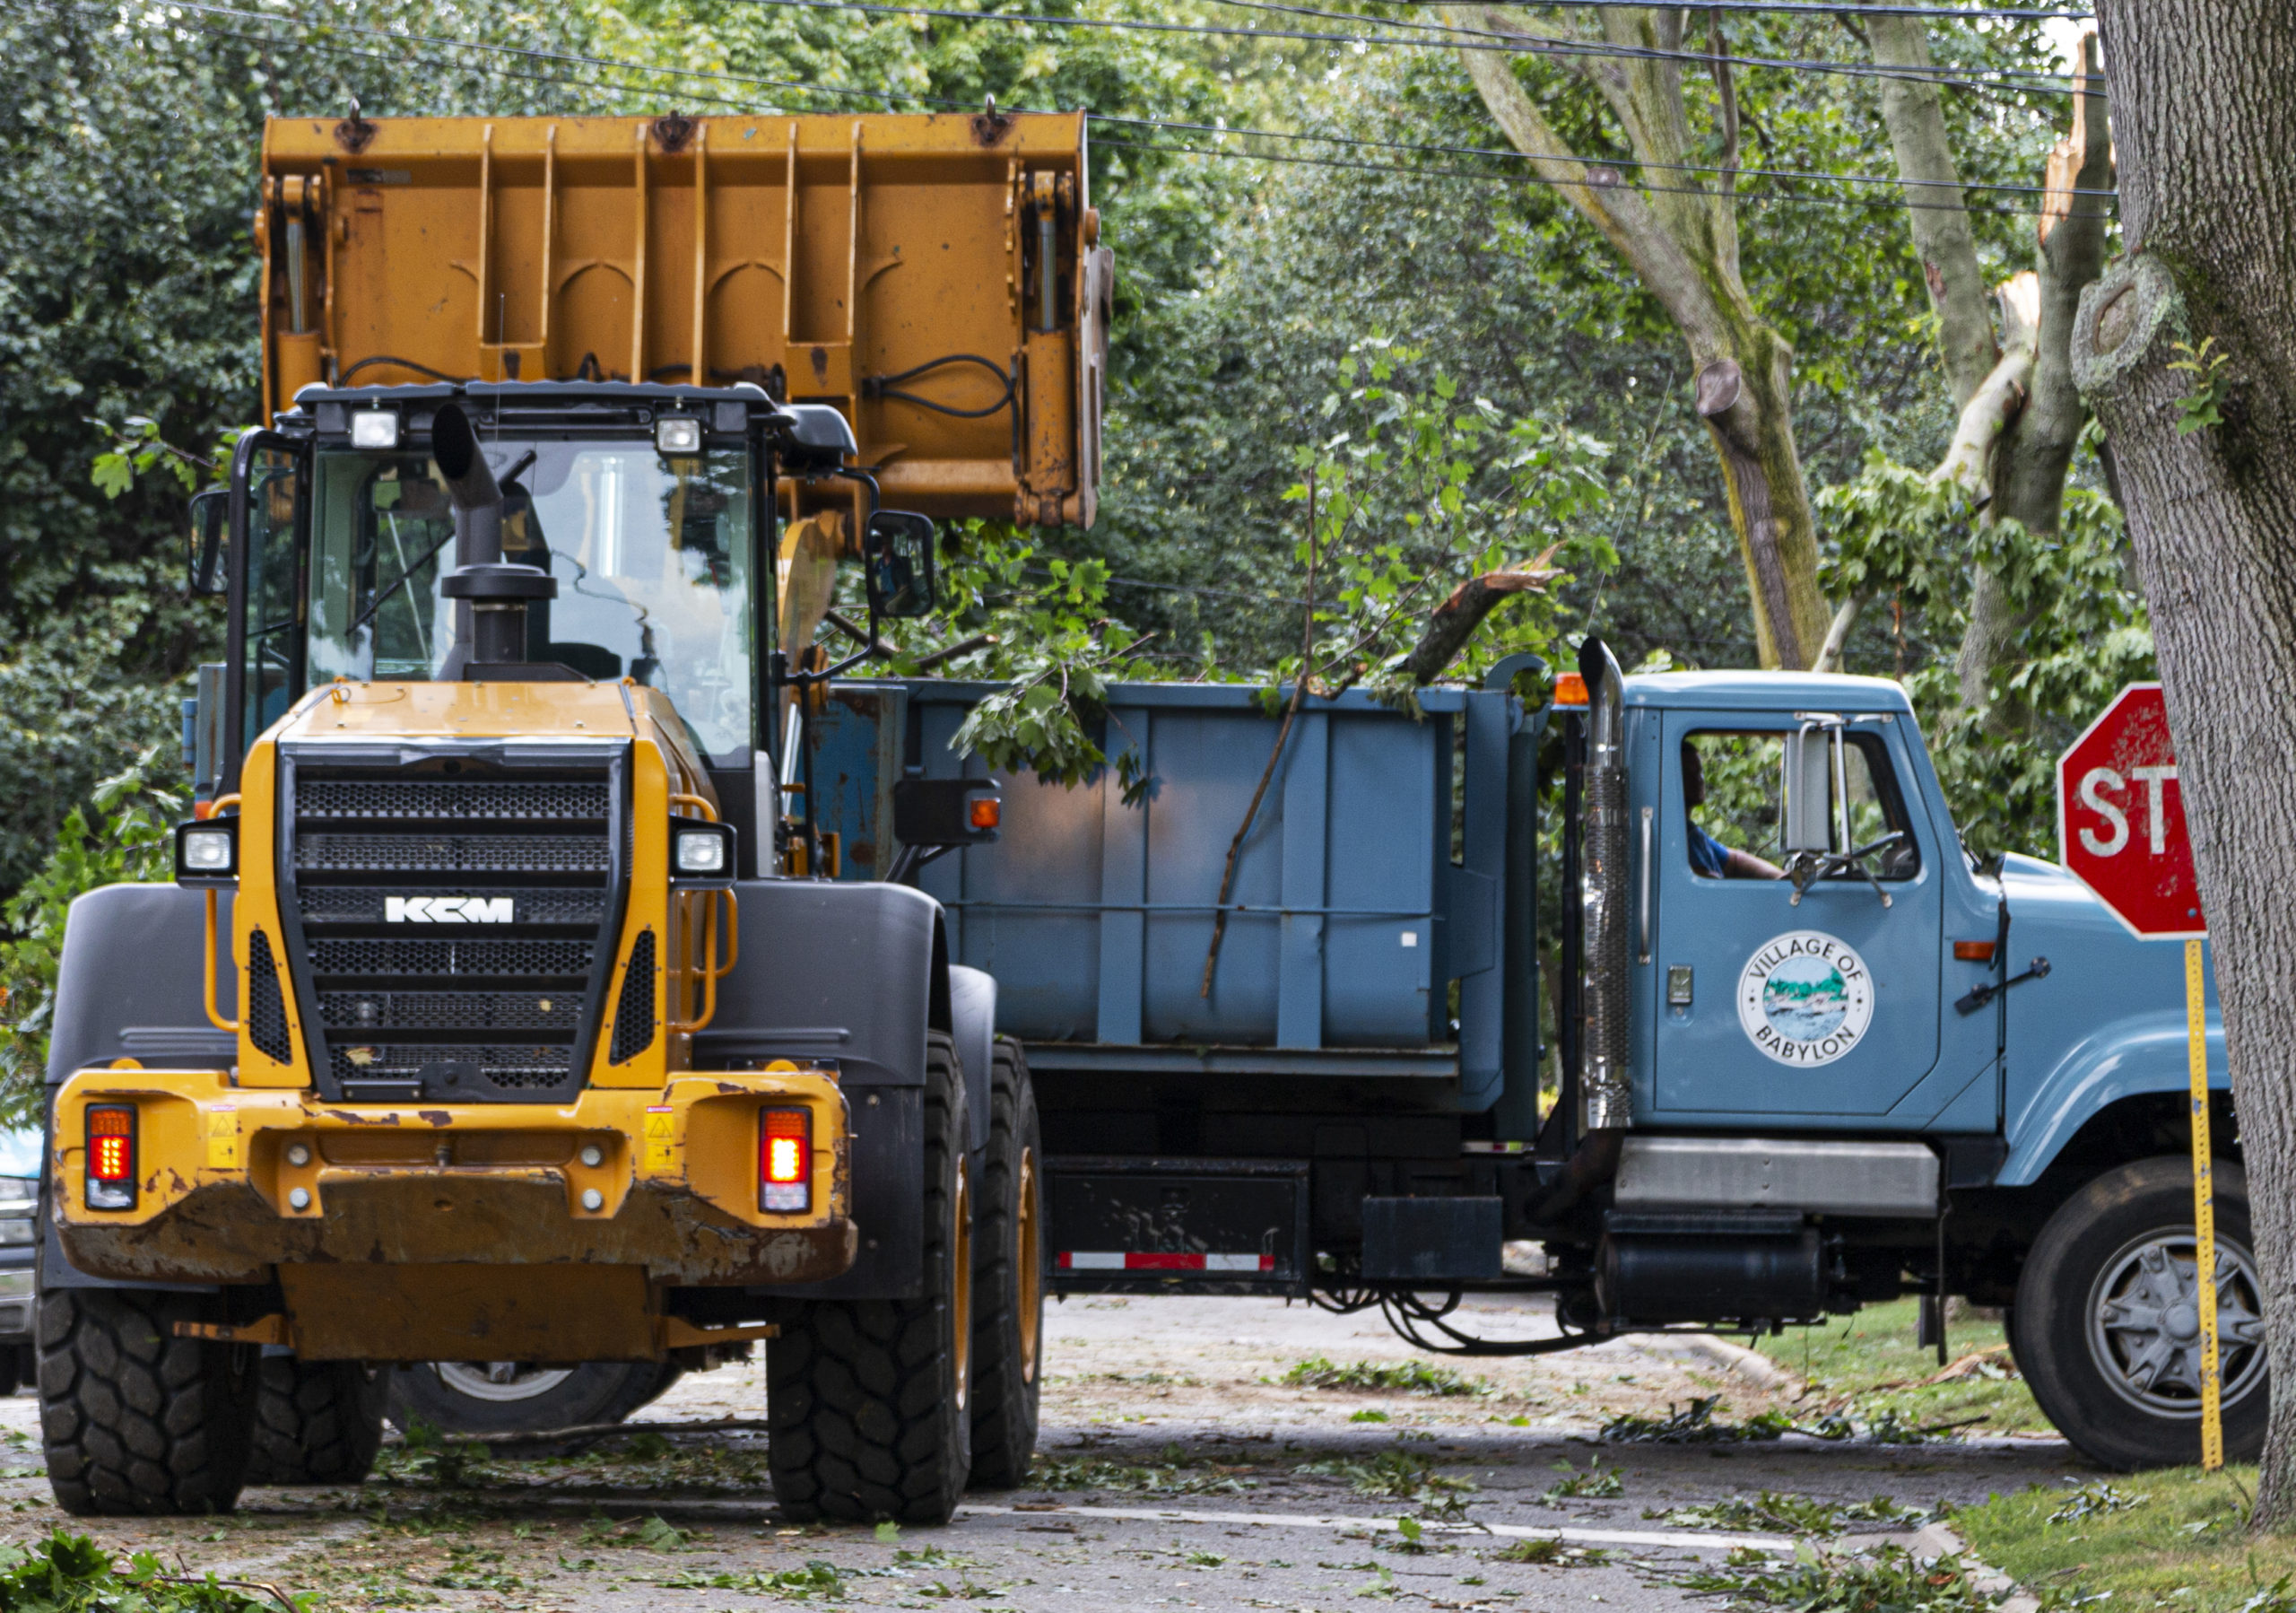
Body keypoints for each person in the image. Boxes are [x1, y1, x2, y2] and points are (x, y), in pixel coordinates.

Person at [1683, 742, 1785, 879]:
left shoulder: (1693, 834)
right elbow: (1702, 880)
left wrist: (1781, 878)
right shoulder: (1674, 836)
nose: (1699, 779)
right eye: (1689, 772)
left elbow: (1735, 861)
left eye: (1699, 771)